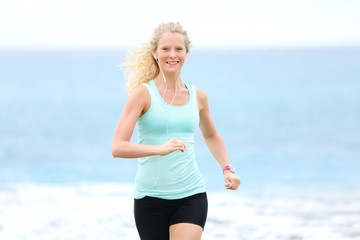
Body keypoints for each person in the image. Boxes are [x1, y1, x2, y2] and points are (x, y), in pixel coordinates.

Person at [111, 22, 241, 240]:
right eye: (165, 49)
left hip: (191, 194)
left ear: (186, 54)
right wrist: (159, 149)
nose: (172, 55)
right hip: (150, 198)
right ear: (155, 53)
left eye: (179, 49)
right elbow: (117, 147)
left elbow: (211, 135)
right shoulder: (142, 95)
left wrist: (227, 168)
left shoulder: (198, 96)